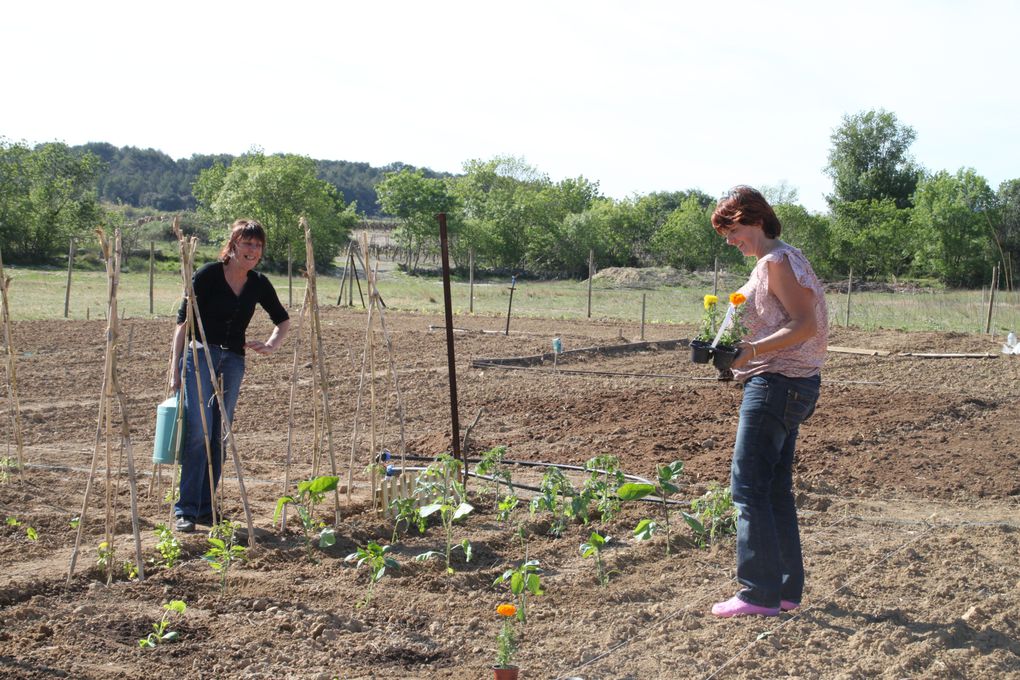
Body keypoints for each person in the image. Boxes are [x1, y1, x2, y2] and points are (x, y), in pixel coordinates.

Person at [708, 186, 828, 617]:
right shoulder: (780, 259)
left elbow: (803, 325)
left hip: (777, 383)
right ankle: (783, 590)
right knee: (774, 489)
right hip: (792, 383)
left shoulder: (777, 261)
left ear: (756, 220)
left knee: (748, 488)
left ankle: (757, 594)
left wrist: (751, 352)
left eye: (733, 229)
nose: (729, 239)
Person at [168, 219, 290, 533]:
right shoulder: (208, 274)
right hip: (200, 354)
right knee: (198, 431)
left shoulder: (259, 283)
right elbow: (183, 324)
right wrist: (174, 372)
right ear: (233, 244)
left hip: (234, 360)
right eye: (247, 243)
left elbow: (282, 320)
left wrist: (270, 345)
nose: (253, 250)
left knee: (220, 434)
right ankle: (186, 510)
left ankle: (206, 510)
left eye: (258, 245)